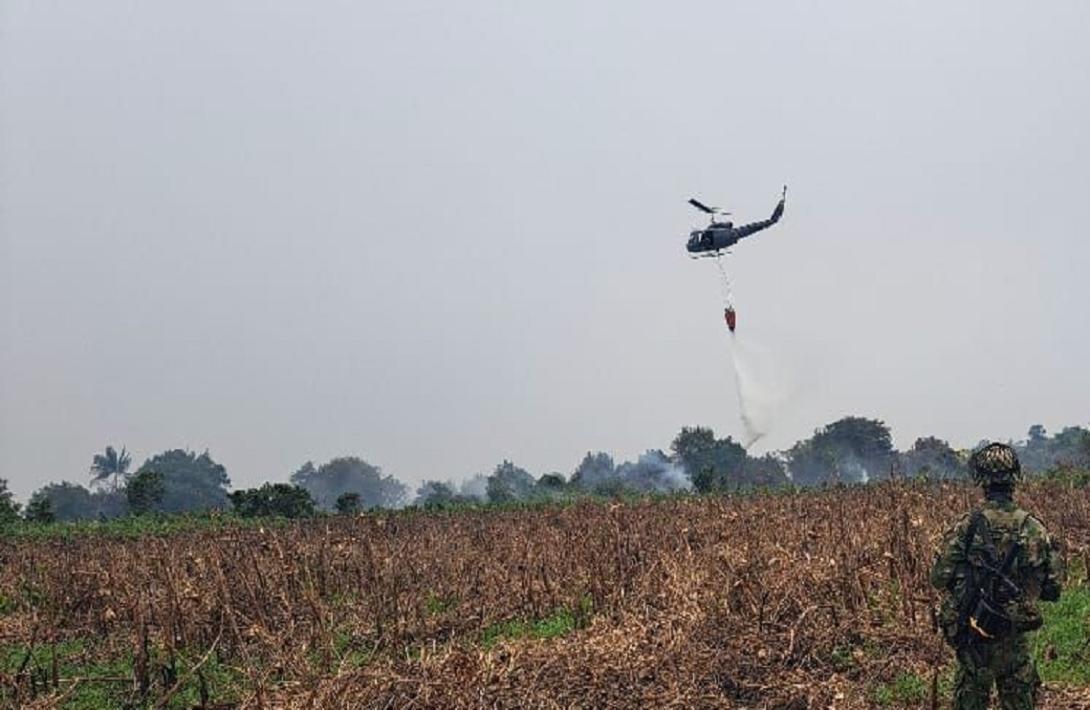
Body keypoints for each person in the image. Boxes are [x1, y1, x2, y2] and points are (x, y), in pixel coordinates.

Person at [930, 443, 1064, 709]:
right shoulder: (1034, 528)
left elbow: (939, 578)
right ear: (1015, 477)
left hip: (974, 636)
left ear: (980, 479)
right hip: (1014, 639)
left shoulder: (966, 526)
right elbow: (1053, 589)